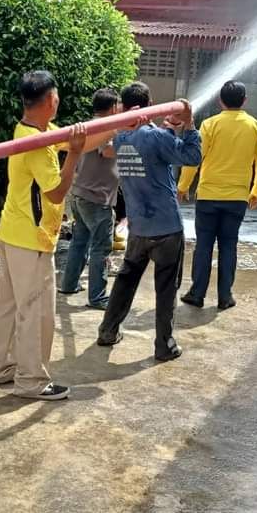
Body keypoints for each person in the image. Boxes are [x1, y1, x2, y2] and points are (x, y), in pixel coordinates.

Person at [0, 70, 126, 401]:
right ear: (51, 99)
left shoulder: (33, 129)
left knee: (9, 307)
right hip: (30, 240)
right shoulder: (36, 145)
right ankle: (32, 381)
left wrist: (117, 127)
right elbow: (57, 192)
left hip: (12, 232)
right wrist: (73, 154)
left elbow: (80, 140)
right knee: (35, 313)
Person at [97, 82, 201, 361]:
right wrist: (189, 124)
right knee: (166, 288)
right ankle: (164, 346)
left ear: (125, 107)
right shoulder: (155, 137)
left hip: (138, 226)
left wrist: (167, 129)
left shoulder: (122, 138)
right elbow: (193, 156)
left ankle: (107, 331)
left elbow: (145, 153)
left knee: (126, 279)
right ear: (149, 105)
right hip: (166, 227)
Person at [177, 81, 257, 311]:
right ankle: (225, 296)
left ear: (220, 101)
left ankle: (197, 294)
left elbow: (194, 158)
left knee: (204, 245)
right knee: (229, 245)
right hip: (237, 198)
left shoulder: (210, 124)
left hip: (208, 196)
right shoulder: (255, 127)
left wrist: (183, 186)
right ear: (244, 101)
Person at [58, 88, 120, 310]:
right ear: (113, 107)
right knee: (100, 248)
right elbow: (107, 151)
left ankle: (69, 284)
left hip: (80, 194)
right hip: (97, 198)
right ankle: (98, 297)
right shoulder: (104, 127)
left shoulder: (88, 125)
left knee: (80, 242)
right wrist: (129, 138)